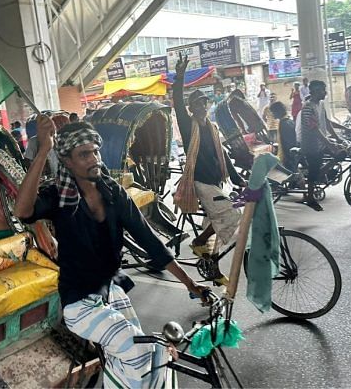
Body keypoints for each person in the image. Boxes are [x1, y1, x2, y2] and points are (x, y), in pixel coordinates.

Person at [14, 116, 209, 388]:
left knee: (148, 358)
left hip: (110, 291)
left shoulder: (113, 192)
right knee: (146, 351)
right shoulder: (59, 195)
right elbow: (23, 211)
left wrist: (190, 282)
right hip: (79, 304)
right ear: (68, 161)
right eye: (84, 154)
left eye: (95, 151)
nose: (94, 158)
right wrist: (44, 149)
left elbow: (150, 241)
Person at [173, 53, 246, 259]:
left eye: (205, 103)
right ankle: (198, 242)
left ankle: (210, 264)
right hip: (201, 182)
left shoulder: (212, 129)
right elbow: (177, 103)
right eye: (197, 104)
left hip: (215, 181)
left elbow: (222, 153)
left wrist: (237, 178)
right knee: (231, 213)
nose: (202, 106)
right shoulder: (189, 127)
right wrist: (180, 77)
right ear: (191, 108)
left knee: (213, 220)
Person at [298, 80, 342, 212]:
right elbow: (314, 129)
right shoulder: (308, 107)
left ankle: (320, 177)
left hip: (321, 143)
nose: (326, 92)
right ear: (315, 91)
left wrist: (338, 136)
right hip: (311, 145)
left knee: (340, 154)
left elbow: (327, 122)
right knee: (313, 171)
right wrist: (330, 144)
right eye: (323, 90)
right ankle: (310, 198)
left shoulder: (321, 104)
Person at [269, 101, 298, 172]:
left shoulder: (284, 124)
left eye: (273, 112)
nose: (272, 114)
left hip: (287, 158)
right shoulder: (288, 121)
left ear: (278, 111)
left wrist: (287, 159)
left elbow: (288, 144)